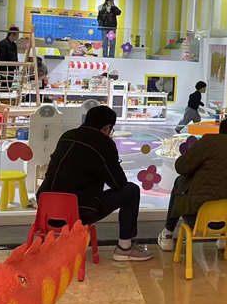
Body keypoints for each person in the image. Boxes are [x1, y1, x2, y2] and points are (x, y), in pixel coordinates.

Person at [37, 105, 152, 261]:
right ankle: (124, 247)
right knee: (131, 190)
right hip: (78, 212)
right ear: (107, 128)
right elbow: (118, 183)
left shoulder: (67, 135)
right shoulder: (104, 143)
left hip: (46, 209)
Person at [157, 116, 227, 251]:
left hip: (196, 216)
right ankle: (224, 237)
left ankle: (168, 233)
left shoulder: (210, 141)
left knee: (180, 181)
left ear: (223, 130)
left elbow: (181, 167)